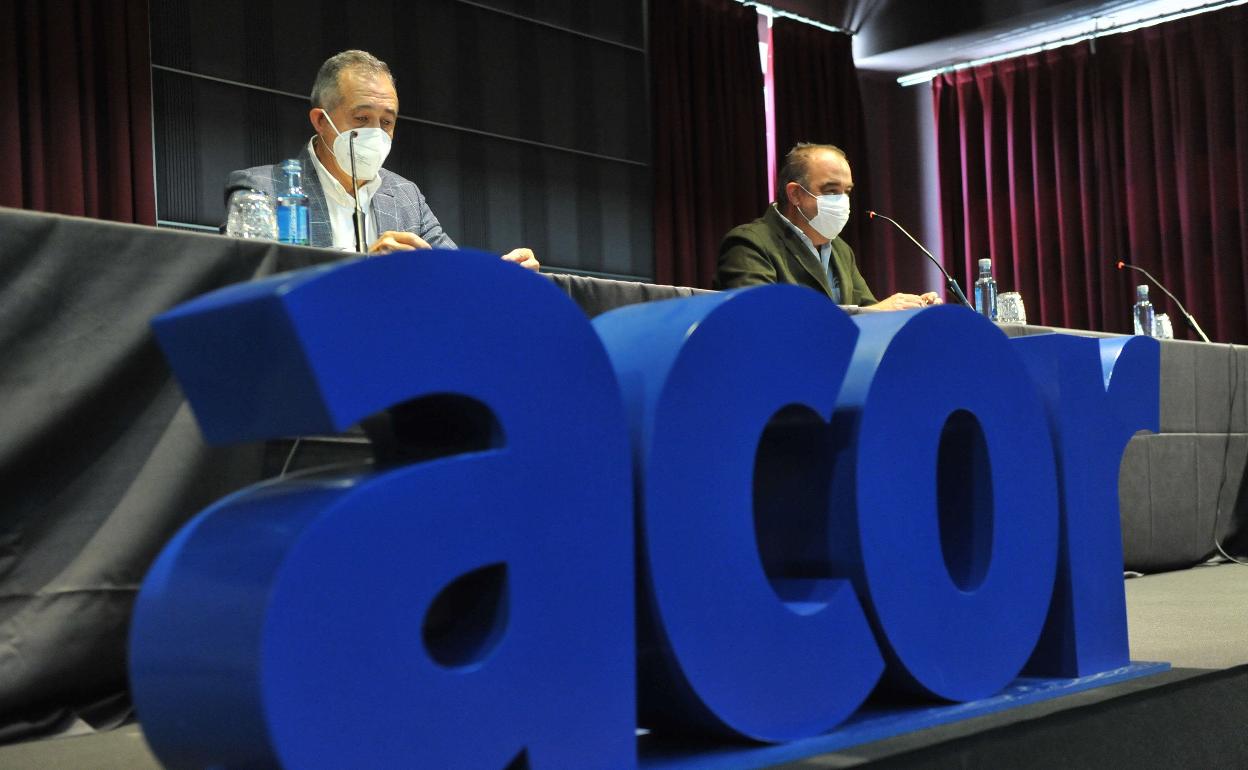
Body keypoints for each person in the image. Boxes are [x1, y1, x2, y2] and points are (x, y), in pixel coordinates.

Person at [227, 50, 538, 270]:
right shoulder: (260, 189)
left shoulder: (406, 196)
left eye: (386, 122)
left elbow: (453, 276)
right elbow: (246, 285)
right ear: (321, 121)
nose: (375, 133)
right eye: (361, 118)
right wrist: (367, 270)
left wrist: (506, 275)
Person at [717, 143, 937, 310]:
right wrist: (875, 312)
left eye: (847, 191)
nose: (842, 200)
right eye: (831, 190)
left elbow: (871, 311)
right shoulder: (750, 244)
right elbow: (762, 319)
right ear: (795, 194)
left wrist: (909, 310)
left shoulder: (841, 250)